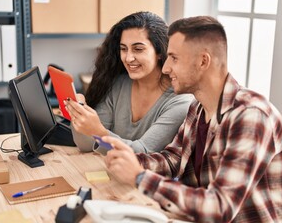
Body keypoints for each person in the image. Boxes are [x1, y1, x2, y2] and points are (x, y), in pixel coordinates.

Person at [103, 16, 282, 222]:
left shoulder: (251, 117)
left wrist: (140, 177)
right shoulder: (198, 107)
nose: (166, 68)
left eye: (174, 58)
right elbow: (173, 161)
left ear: (203, 61)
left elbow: (220, 207)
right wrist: (130, 159)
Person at [64, 11, 193, 154]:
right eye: (123, 49)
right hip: (114, 172)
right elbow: (87, 146)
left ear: (160, 52)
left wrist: (98, 131)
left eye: (138, 49)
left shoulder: (180, 101)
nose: (128, 58)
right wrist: (79, 116)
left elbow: (144, 153)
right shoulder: (118, 84)